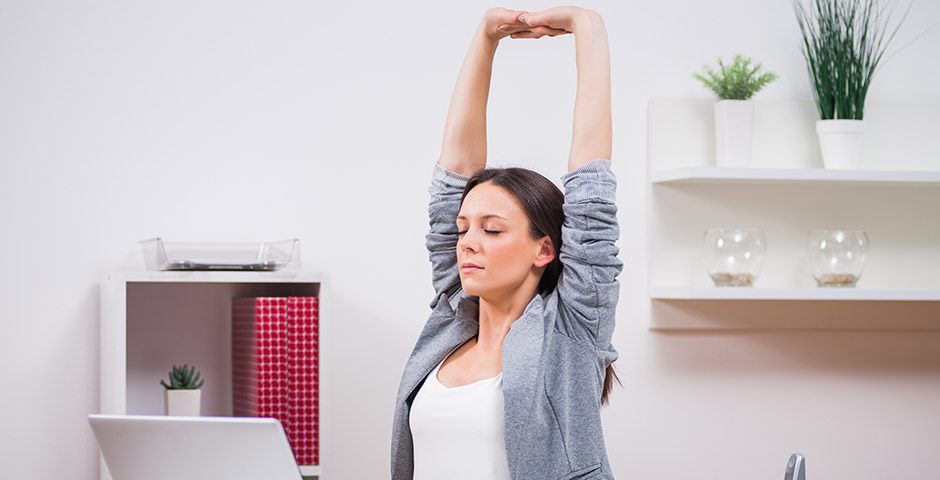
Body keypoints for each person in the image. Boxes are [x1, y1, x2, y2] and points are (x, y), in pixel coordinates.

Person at [391, 6, 622, 479]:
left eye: (492, 229)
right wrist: (484, 38)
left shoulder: (571, 332)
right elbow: (452, 177)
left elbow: (591, 193)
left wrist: (588, 28)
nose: (466, 243)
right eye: (463, 229)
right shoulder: (450, 322)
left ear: (545, 248)